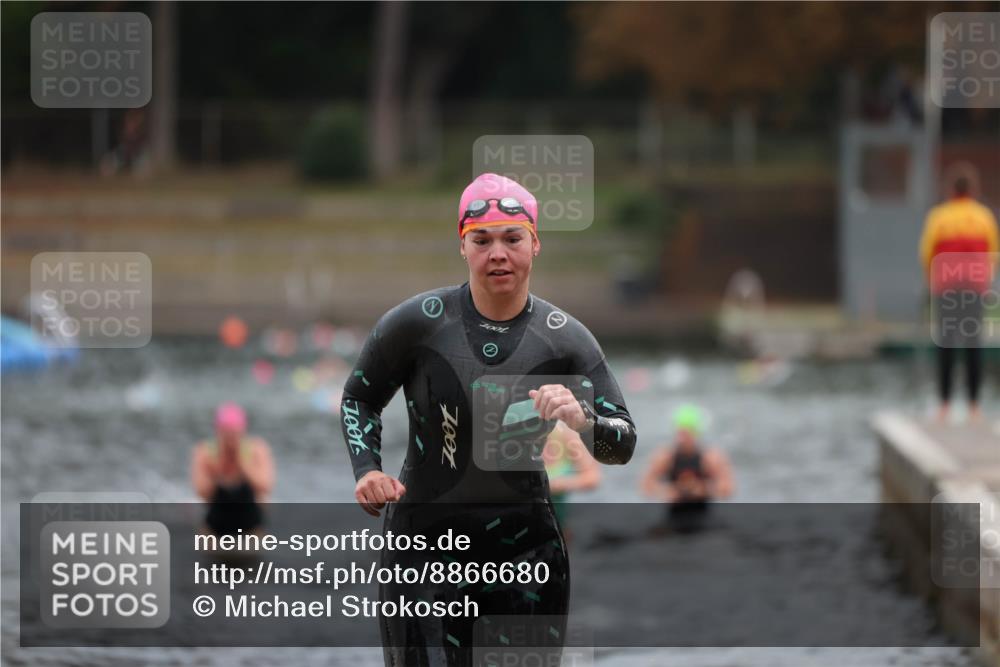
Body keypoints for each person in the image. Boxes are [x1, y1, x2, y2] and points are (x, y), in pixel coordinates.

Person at [340, 172, 637, 665]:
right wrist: (367, 468)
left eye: (512, 238)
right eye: (482, 240)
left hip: (527, 553)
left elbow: (622, 445)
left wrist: (582, 418)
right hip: (423, 545)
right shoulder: (418, 322)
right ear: (463, 246)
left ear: (535, 243)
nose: (497, 253)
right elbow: (359, 398)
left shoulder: (566, 339)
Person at [919, 165, 998, 422]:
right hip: (975, 286)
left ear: (951, 190)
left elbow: (927, 252)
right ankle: (974, 406)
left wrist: (930, 282)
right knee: (973, 343)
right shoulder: (984, 217)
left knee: (946, 342)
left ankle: (944, 406)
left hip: (947, 286)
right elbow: (993, 252)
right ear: (973, 190)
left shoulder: (939, 217)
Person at [640, 404, 732, 532]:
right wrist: (667, 491)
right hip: (673, 517)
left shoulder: (710, 457)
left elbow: (727, 489)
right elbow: (646, 487)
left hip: (704, 517)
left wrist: (702, 489)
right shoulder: (666, 456)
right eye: (680, 432)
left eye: (687, 433)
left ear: (696, 433)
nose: (682, 438)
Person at [191, 402, 275, 536]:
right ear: (218, 432)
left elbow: (265, 487)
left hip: (251, 523)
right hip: (216, 523)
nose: (231, 440)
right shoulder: (205, 452)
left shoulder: (256, 449)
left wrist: (242, 465)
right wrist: (219, 469)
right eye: (226, 435)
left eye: (234, 434)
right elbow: (202, 494)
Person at [542, 420, 601, 537]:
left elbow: (593, 478)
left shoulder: (564, 433)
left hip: (561, 529)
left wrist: (553, 485)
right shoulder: (509, 436)